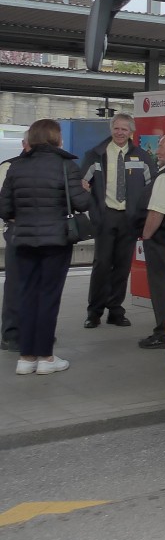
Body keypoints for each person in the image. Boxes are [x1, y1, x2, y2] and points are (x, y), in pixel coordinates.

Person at [0, 119, 89, 375]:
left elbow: (4, 208)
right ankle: (46, 358)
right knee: (48, 297)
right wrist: (85, 190)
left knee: (26, 296)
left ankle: (25, 358)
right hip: (56, 241)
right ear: (55, 138)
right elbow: (82, 204)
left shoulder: (16, 167)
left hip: (24, 240)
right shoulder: (65, 166)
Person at [80, 114, 155, 328]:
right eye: (116, 128)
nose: (120, 132)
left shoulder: (142, 156)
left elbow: (152, 187)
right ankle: (94, 312)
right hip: (105, 217)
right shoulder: (96, 155)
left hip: (129, 219)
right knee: (102, 265)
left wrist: (142, 213)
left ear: (131, 131)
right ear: (111, 129)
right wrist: (92, 209)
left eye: (124, 129)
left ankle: (115, 311)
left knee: (122, 267)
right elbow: (80, 183)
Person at [138, 134, 165, 348]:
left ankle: (163, 332)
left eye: (161, 147)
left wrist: (146, 235)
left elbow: (156, 213)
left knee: (160, 286)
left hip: (160, 241)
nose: (157, 150)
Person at [0, 133, 30, 351]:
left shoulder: (51, 166)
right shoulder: (9, 166)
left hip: (42, 233)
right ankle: (11, 333)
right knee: (15, 284)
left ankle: (33, 331)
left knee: (37, 286)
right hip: (18, 232)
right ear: (24, 144)